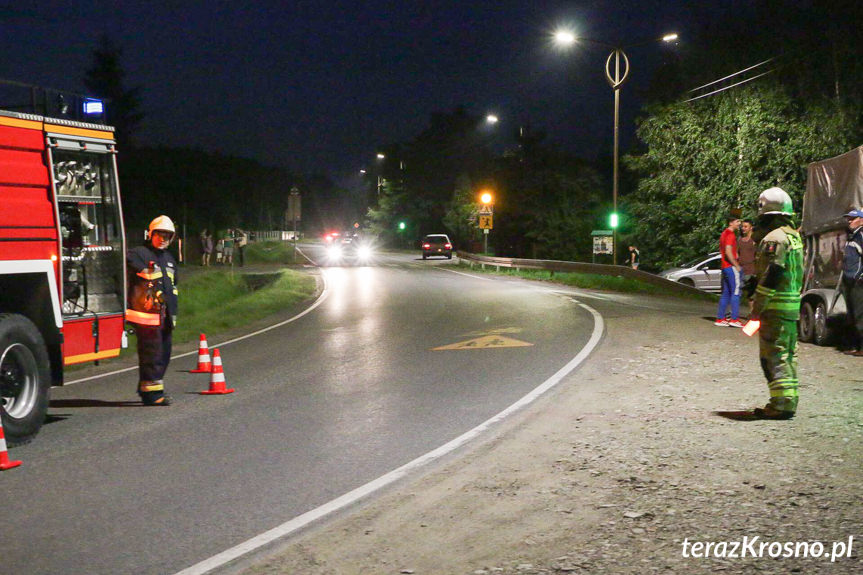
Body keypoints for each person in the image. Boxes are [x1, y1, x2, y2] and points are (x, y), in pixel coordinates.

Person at [749, 187, 803, 419]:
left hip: (775, 308)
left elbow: (772, 275)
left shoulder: (774, 239)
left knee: (772, 357)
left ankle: (779, 405)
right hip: (791, 307)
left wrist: (756, 307)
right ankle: (788, 400)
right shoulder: (793, 236)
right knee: (788, 355)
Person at [126, 215, 179, 406]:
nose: (163, 238)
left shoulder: (169, 259)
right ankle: (153, 396)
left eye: (167, 235)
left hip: (165, 315)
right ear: (151, 234)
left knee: (164, 353)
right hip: (147, 316)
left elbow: (173, 286)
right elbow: (132, 268)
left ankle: (149, 387)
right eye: (159, 234)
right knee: (153, 354)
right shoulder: (138, 253)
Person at [840, 208, 863, 356]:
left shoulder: (860, 235)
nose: (849, 221)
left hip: (858, 282)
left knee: (860, 314)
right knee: (852, 314)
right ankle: (854, 346)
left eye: (852, 219)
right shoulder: (851, 237)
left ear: (861, 220)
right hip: (848, 280)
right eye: (848, 218)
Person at [715, 215, 743, 327]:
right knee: (736, 292)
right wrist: (736, 265)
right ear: (731, 223)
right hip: (731, 267)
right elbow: (728, 251)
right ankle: (734, 319)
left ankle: (720, 318)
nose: (739, 224)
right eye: (737, 221)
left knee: (725, 293)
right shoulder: (730, 235)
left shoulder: (723, 234)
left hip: (724, 267)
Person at [738, 219, 757, 316]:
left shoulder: (754, 241)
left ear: (751, 228)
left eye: (745, 226)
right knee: (739, 292)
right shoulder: (740, 240)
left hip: (751, 270)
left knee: (751, 294)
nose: (743, 228)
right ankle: (733, 313)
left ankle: (752, 313)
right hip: (741, 270)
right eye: (742, 226)